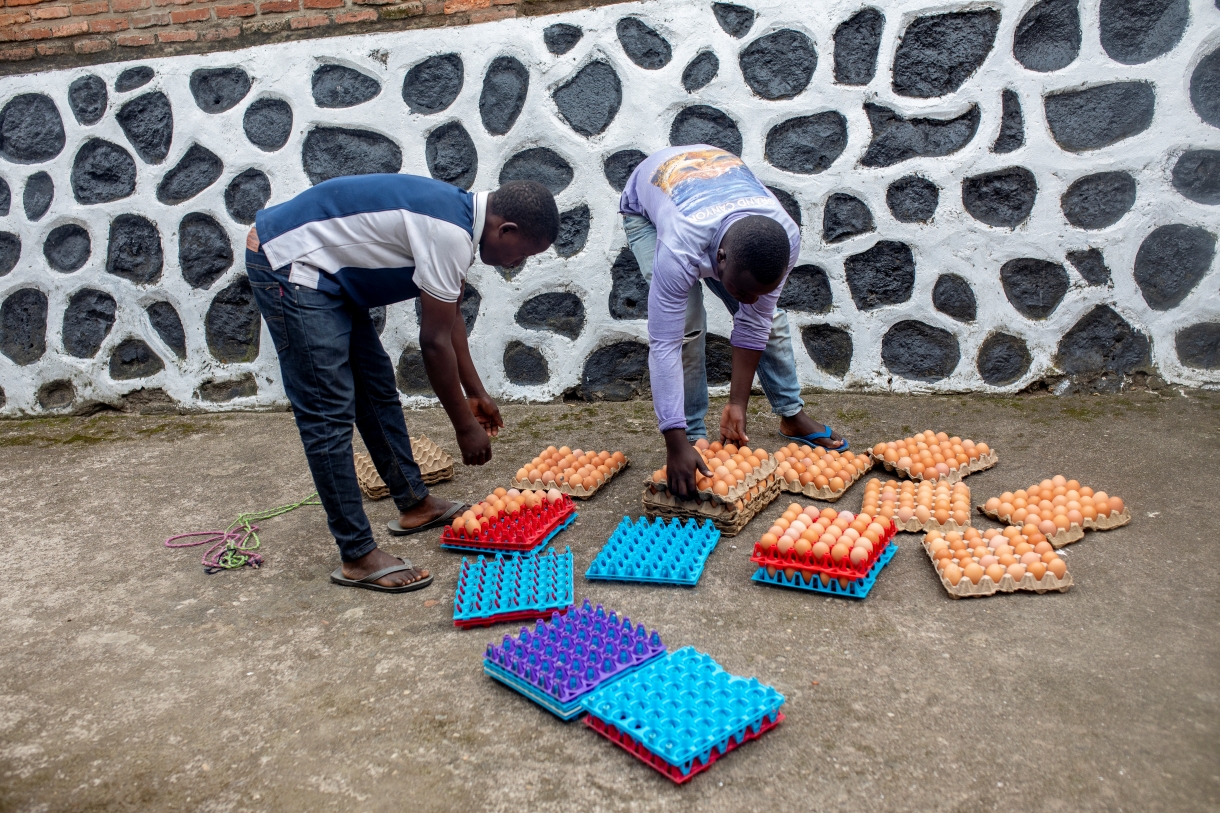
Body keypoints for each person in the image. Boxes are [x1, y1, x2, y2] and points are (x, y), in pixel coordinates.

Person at [245, 174, 559, 592]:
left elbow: (450, 321)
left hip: (328, 278)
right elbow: (432, 343)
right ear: (506, 230)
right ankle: (356, 554)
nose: (516, 263)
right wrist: (464, 426)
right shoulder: (451, 232)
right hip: (289, 264)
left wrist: (476, 392)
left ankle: (414, 503)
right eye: (523, 253)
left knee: (376, 390)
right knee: (328, 413)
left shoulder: (462, 225)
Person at [619, 145, 848, 499]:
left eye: (759, 291)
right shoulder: (682, 246)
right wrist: (673, 440)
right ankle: (692, 436)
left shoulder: (784, 238)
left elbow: (754, 322)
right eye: (743, 290)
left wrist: (737, 404)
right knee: (686, 326)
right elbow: (664, 343)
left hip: (716, 202)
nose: (750, 300)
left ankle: (790, 413)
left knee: (768, 319)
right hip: (648, 211)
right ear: (719, 259)